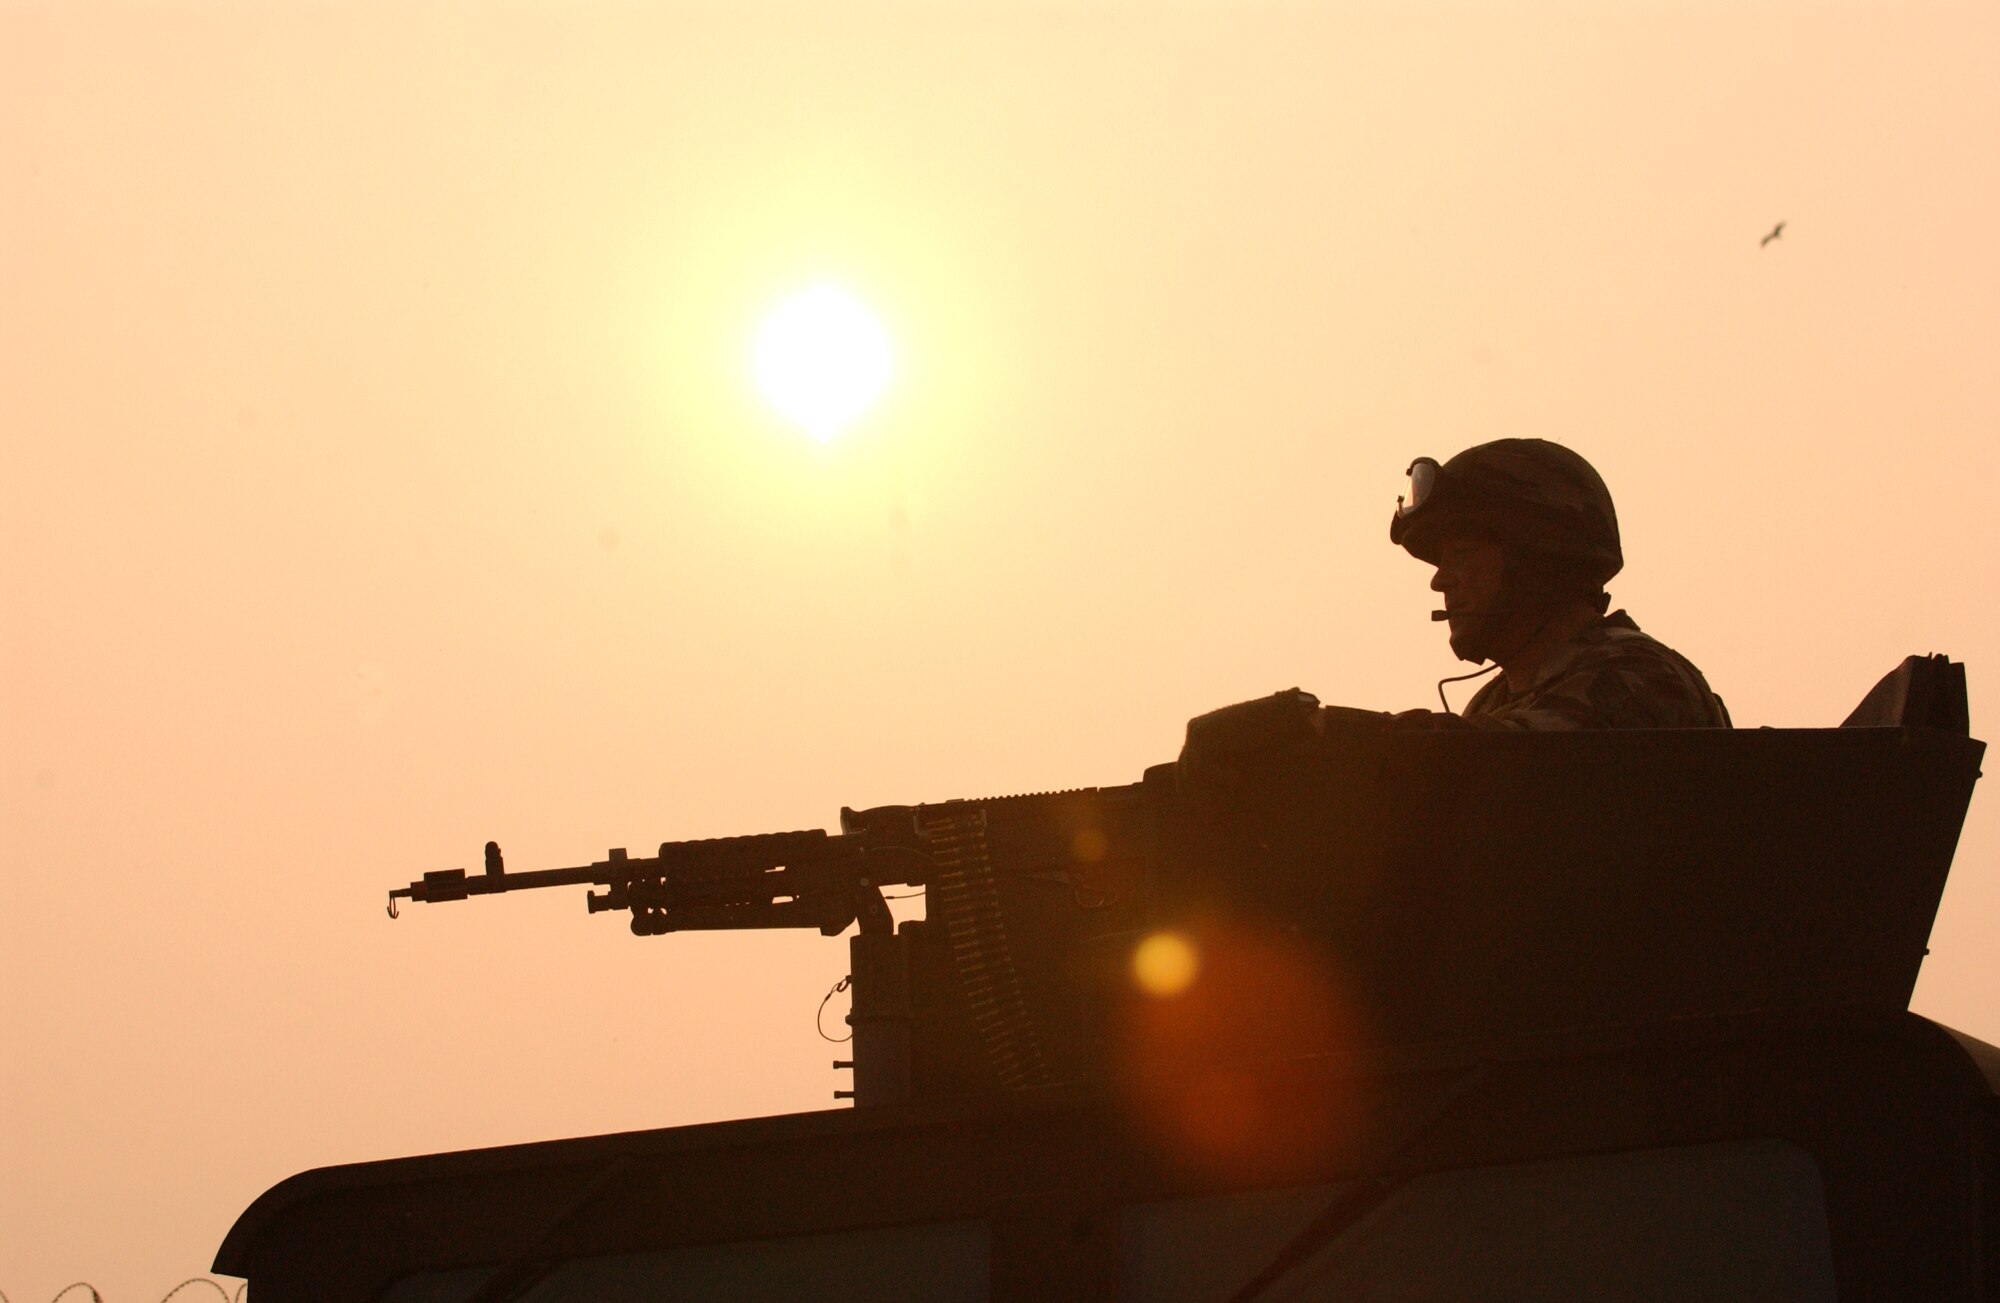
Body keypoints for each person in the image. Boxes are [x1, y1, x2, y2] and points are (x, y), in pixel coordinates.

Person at [1385, 438, 1730, 730]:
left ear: (1536, 562)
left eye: (1462, 555)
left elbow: (1524, 764)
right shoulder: (1493, 701)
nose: (1440, 580)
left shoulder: (1642, 679)